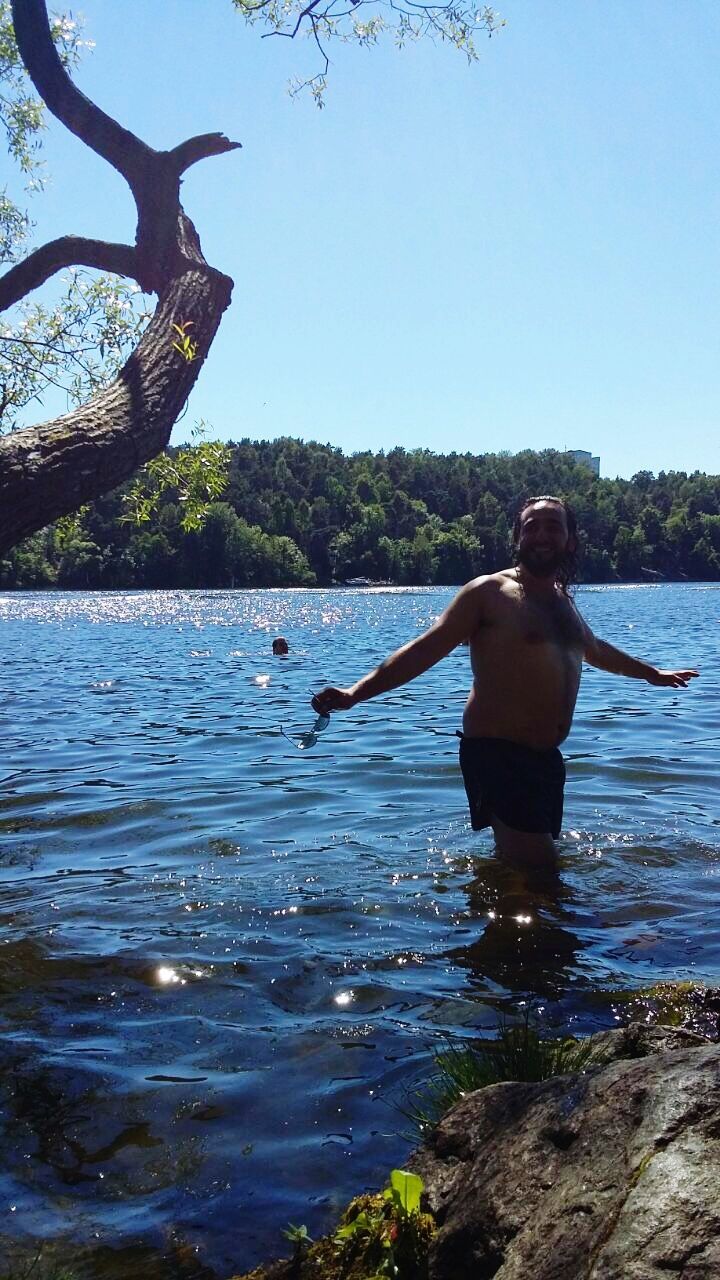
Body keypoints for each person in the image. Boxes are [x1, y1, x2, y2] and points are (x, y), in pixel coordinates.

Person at [311, 495, 699, 865]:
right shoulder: (489, 593)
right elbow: (424, 649)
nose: (542, 536)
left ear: (570, 539)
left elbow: (594, 649)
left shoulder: (562, 601)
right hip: (498, 756)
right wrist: (354, 693)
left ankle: (494, 913)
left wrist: (652, 674)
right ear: (517, 537)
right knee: (540, 870)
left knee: (521, 870)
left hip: (545, 760)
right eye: (532, 527)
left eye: (553, 527)